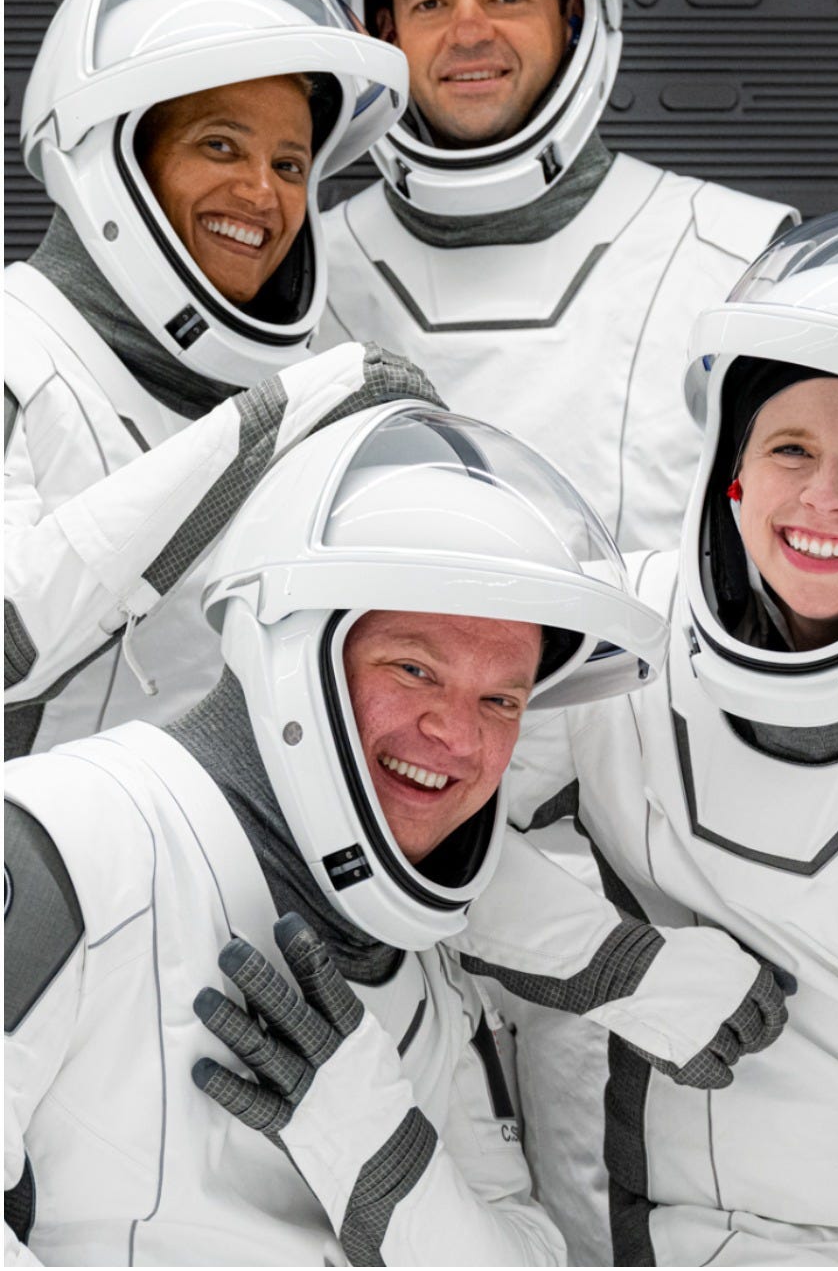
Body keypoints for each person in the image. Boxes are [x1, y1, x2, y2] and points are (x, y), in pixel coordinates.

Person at [4, 402, 791, 1265]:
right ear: (290, 653)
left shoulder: (426, 960)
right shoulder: (66, 841)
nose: (459, 738)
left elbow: (529, 1253)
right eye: (414, 668)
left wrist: (380, 1162)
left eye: (501, 700)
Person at [509, 210, 838, 1266]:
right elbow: (405, 827)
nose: (823, 495)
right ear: (729, 473)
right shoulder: (614, 643)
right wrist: (611, 961)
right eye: (788, 447)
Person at [318, 0, 798, 552]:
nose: (469, 31)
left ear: (575, 17)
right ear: (383, 34)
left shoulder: (735, 261)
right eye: (430, 3)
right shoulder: (302, 284)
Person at [5, 0, 416, 758]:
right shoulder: (17, 346)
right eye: (220, 145)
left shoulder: (297, 405)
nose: (263, 194)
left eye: (292, 164)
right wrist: (268, 429)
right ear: (115, 157)